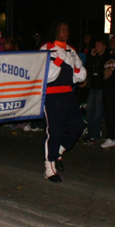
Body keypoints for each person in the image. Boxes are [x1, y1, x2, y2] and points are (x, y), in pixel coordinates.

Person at [40, 22, 87, 182]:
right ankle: (49, 169)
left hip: (68, 94)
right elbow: (46, 77)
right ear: (56, 31)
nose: (66, 32)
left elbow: (79, 78)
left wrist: (79, 66)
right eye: (63, 29)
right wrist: (59, 60)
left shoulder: (71, 50)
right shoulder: (46, 49)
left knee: (78, 126)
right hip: (52, 96)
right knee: (54, 132)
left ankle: (58, 152)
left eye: (68, 29)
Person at [83, 37, 107, 145]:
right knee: (89, 110)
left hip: (101, 88)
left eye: (98, 45)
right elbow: (88, 68)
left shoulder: (106, 58)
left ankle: (95, 134)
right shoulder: (95, 57)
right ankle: (90, 133)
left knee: (98, 112)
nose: (96, 48)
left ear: (104, 47)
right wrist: (92, 57)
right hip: (93, 87)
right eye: (96, 45)